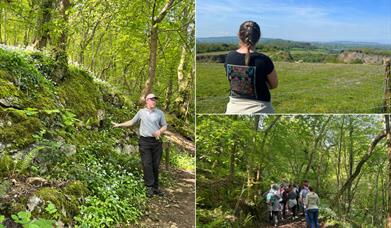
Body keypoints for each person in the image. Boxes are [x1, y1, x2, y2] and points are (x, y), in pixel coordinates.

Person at [113, 93, 167, 198]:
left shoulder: (159, 113)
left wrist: (160, 131)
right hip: (144, 142)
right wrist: (119, 125)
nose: (154, 101)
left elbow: (165, 125)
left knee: (155, 165)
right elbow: (132, 122)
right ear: (147, 101)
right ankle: (149, 187)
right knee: (147, 164)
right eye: (152, 99)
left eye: (155, 100)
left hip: (156, 142)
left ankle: (156, 187)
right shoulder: (141, 112)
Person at [224, 20, 278, 114]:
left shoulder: (229, 57)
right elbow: (274, 84)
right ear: (258, 37)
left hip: (234, 108)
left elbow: (231, 80)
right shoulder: (264, 60)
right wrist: (258, 83)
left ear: (238, 34)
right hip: (262, 108)